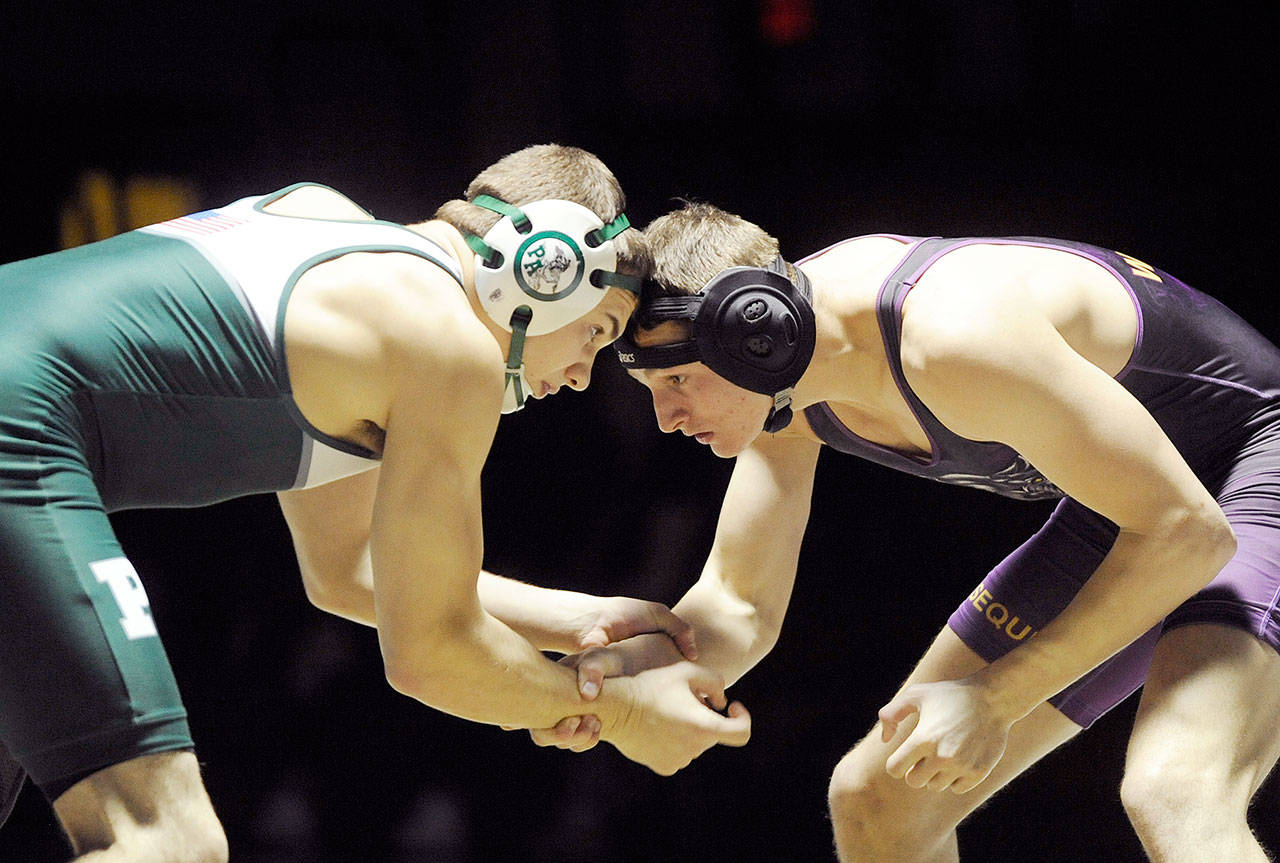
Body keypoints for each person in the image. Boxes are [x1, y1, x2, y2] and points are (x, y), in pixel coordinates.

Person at [0, 149, 751, 862]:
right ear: (546, 267)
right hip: (15, 427)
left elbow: (351, 569)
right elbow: (430, 652)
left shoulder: (329, 229)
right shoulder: (449, 346)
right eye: (596, 331)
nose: (584, 374)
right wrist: (620, 714)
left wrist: (582, 620)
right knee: (166, 835)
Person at [538, 201, 1280, 861]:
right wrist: (611, 681)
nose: (667, 419)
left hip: (1252, 463)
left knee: (1176, 791)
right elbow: (737, 605)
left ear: (752, 332)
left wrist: (994, 697)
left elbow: (1190, 534)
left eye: (675, 381)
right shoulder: (785, 383)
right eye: (650, 391)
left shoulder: (951, 337)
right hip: (1135, 511)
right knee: (878, 801)